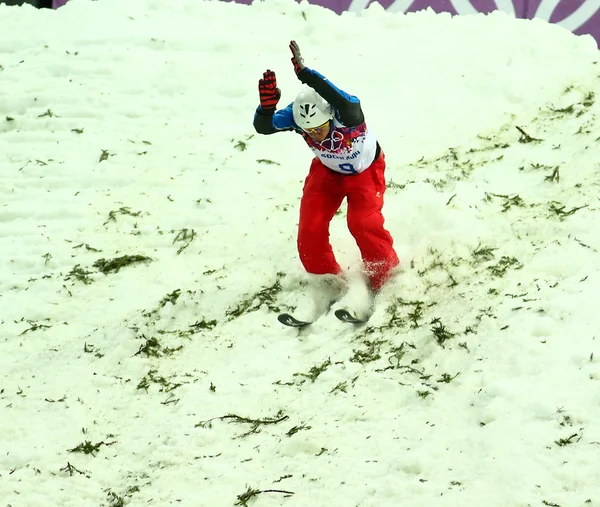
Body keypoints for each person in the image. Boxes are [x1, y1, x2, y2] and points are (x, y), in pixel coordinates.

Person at [253, 41, 399, 294]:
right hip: (327, 173)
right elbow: (264, 127)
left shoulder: (347, 113)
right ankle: (327, 282)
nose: (315, 135)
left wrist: (307, 75)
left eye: (319, 129)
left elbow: (339, 96)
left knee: (362, 223)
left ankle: (385, 277)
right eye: (308, 131)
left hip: (364, 172)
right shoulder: (296, 116)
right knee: (310, 228)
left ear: (330, 117)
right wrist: (266, 110)